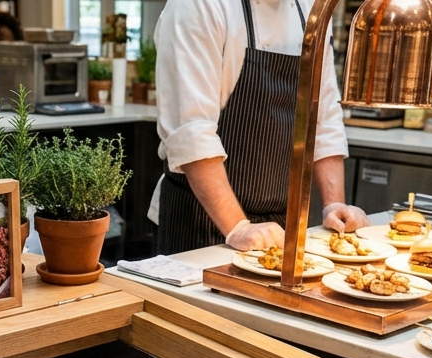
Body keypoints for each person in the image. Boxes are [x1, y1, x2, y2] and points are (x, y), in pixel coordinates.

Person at [151, 0, 368, 255]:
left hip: (281, 224)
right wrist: (239, 228)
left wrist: (334, 205)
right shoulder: (199, 5)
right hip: (202, 222)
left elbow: (323, 116)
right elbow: (191, 131)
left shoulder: (312, 8)